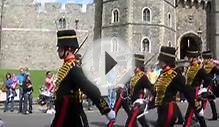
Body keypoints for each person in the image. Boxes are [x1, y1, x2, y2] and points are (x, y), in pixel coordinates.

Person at [50, 29, 115, 127]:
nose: (58, 50)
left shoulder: (73, 69)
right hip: (62, 115)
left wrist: (106, 109)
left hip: (69, 115)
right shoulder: (67, 67)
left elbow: (90, 89)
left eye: (60, 47)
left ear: (68, 49)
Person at [153, 46, 195, 127]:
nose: (159, 62)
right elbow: (157, 90)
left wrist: (196, 106)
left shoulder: (176, 75)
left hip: (169, 110)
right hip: (161, 110)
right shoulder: (162, 73)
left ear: (166, 61)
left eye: (160, 61)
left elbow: (187, 91)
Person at [184, 48, 212, 127]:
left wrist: (203, 89)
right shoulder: (189, 68)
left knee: (189, 115)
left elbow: (208, 80)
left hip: (195, 93)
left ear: (194, 58)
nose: (188, 59)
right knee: (198, 114)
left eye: (189, 57)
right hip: (190, 92)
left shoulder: (200, 70)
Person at [202, 50, 218, 120]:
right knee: (208, 101)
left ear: (208, 59)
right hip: (204, 85)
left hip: (209, 86)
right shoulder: (203, 66)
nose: (204, 60)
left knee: (205, 100)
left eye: (205, 58)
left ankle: (199, 115)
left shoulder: (213, 66)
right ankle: (214, 115)